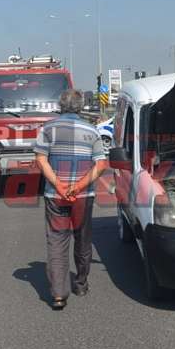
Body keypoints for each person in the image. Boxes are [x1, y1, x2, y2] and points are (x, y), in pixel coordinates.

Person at [33, 89, 108, 310]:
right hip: (83, 196)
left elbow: (41, 160)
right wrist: (78, 186)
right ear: (80, 106)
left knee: (57, 240)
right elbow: (101, 165)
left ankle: (58, 294)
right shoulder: (92, 130)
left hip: (55, 195)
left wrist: (60, 184)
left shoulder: (47, 129)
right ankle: (81, 283)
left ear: (60, 105)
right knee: (83, 239)